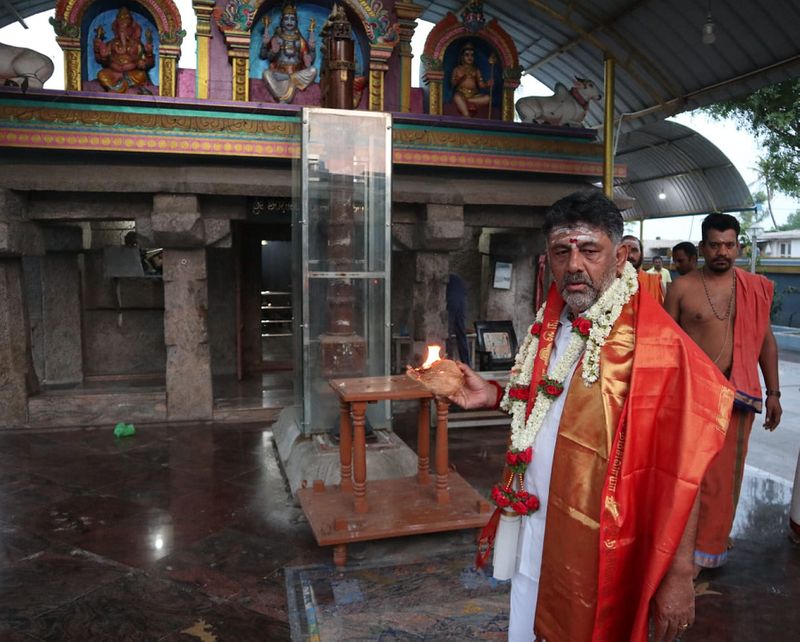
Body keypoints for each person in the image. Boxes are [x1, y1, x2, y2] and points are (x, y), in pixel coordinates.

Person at [450, 190, 733, 641]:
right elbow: (548, 400)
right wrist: (495, 393)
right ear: (549, 257)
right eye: (563, 251)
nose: (574, 265)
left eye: (589, 250)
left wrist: (680, 572)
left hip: (604, 542)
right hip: (536, 523)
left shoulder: (656, 344)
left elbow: (686, 469)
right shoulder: (551, 321)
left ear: (620, 256)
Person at [664, 213, 781, 572]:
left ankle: (707, 550)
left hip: (738, 395)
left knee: (725, 480)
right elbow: (665, 345)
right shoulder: (681, 288)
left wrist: (774, 392)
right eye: (715, 245)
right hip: (691, 397)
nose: (723, 252)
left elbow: (765, 341)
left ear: (739, 247)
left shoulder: (754, 287)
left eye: (729, 245)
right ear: (702, 247)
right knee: (687, 477)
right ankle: (675, 549)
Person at [260, 2, 317, 103]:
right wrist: (268, 47)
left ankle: (290, 78)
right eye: (286, 19)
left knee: (313, 71)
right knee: (266, 73)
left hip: (296, 73)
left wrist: (312, 49)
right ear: (281, 21)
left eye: (292, 19)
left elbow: (309, 60)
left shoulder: (300, 40)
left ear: (296, 21)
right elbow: (264, 56)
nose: (289, 22)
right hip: (279, 73)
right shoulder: (277, 37)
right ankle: (283, 93)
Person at [93, 7, 155, 94]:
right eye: (120, 28)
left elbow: (148, 63)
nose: (123, 31)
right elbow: (101, 60)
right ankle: (118, 87)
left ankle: (118, 88)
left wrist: (148, 54)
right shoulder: (111, 44)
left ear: (132, 29)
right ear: (116, 29)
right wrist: (98, 52)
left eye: (126, 28)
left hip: (131, 74)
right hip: (113, 73)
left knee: (141, 75)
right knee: (101, 74)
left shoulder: (137, 45)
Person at [450, 41, 492, 117]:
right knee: (456, 97)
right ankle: (467, 115)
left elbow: (481, 84)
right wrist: (460, 79)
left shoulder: (476, 70)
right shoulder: (457, 69)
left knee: (488, 98)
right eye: (467, 55)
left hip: (474, 95)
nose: (470, 57)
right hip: (461, 93)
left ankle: (467, 101)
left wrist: (487, 84)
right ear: (462, 57)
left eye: (472, 55)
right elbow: (452, 84)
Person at [621, 234, 664, 303]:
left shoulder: (655, 282)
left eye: (634, 250)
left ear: (642, 254)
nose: (629, 255)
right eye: (624, 250)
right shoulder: (608, 283)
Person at [446, 273, 471, 367]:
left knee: (447, 334)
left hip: (453, 302)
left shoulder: (449, 279)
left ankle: (448, 364)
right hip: (460, 302)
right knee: (461, 334)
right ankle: (467, 365)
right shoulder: (458, 280)